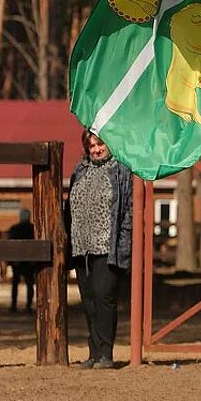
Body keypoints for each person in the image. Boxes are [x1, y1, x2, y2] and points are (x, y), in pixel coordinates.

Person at [65, 130, 133, 369]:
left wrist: (125, 244)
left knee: (104, 297)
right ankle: (93, 353)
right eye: (91, 145)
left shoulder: (121, 170)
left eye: (100, 144)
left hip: (107, 246)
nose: (96, 149)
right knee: (89, 300)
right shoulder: (79, 170)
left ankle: (106, 354)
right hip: (81, 247)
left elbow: (128, 211)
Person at [7, 208, 36, 313]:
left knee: (16, 283)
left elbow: (10, 246)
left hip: (17, 261)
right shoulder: (33, 229)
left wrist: (10, 261)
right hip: (28, 261)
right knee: (29, 284)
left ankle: (14, 305)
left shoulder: (14, 229)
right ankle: (28, 305)